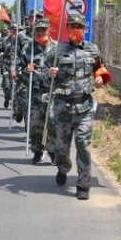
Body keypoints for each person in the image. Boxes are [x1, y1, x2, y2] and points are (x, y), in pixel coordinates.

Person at [41, 13, 110, 200]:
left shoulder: (92, 50)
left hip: (84, 106)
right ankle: (63, 168)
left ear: (84, 30)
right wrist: (50, 74)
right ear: (67, 29)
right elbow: (42, 75)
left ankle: (83, 185)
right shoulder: (56, 51)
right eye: (71, 26)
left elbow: (101, 69)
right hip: (63, 108)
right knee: (62, 148)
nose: (75, 30)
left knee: (82, 144)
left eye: (78, 27)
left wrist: (99, 79)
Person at [15, 18, 57, 164]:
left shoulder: (57, 49)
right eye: (37, 30)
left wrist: (56, 72)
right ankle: (37, 151)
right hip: (34, 93)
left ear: (49, 30)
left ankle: (52, 151)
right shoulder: (28, 49)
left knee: (52, 124)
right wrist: (26, 70)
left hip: (52, 93)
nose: (40, 32)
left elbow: (65, 71)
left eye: (43, 30)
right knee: (34, 125)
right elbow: (18, 70)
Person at [11, 9, 44, 123]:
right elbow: (15, 53)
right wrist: (13, 69)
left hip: (40, 72)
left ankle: (31, 124)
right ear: (29, 20)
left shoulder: (44, 34)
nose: (36, 20)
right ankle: (21, 111)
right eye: (33, 18)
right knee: (23, 95)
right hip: (24, 71)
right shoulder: (21, 35)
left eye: (39, 18)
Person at [0, 23, 17, 109]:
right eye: (12, 29)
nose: (14, 31)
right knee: (6, 85)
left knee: (15, 86)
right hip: (7, 65)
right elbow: (2, 52)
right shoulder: (6, 40)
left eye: (16, 30)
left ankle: (14, 105)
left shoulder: (20, 41)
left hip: (16, 67)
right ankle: (7, 98)